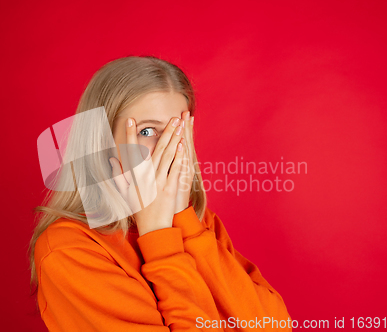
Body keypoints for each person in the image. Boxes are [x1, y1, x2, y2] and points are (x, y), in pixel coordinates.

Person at [29, 55, 292, 331]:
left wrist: (183, 221)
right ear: (101, 141)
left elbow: (275, 325)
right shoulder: (68, 249)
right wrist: (157, 236)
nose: (168, 147)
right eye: (146, 131)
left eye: (177, 131)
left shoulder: (198, 222)